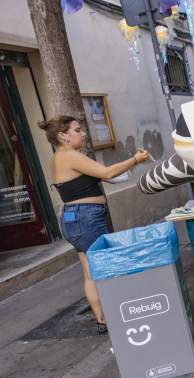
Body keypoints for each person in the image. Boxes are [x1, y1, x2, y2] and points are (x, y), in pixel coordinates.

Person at [39, 116, 149, 334]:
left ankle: (103, 320)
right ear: (63, 136)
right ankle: (123, 315)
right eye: (77, 130)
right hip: (86, 219)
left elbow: (103, 177)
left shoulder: (58, 158)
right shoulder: (69, 155)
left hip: (74, 220)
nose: (83, 134)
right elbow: (107, 173)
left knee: (90, 272)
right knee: (107, 266)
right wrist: (136, 159)